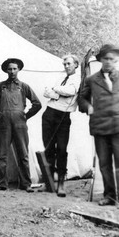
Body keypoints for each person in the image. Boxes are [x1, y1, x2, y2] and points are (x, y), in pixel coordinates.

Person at [78, 44, 119, 207]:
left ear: (117, 59)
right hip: (100, 126)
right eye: (105, 59)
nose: (109, 62)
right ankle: (109, 196)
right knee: (104, 163)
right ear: (100, 60)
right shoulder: (91, 80)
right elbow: (81, 99)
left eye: (112, 59)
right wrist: (88, 108)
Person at [0, 58, 42, 192]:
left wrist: (25, 116)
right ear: (6, 70)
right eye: (9, 69)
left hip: (20, 124)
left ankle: (26, 184)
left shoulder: (23, 86)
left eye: (14, 69)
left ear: (19, 70)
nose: (12, 71)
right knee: (2, 155)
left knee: (23, 154)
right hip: (5, 123)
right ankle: (1, 184)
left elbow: (37, 104)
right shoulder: (1, 86)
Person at [42, 54, 82, 197]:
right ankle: (50, 182)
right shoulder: (60, 77)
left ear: (76, 65)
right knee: (48, 148)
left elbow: (71, 91)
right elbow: (46, 91)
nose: (66, 66)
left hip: (63, 116)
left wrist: (55, 90)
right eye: (64, 64)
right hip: (49, 114)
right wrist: (57, 92)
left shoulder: (78, 79)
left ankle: (61, 184)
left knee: (62, 149)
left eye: (69, 64)